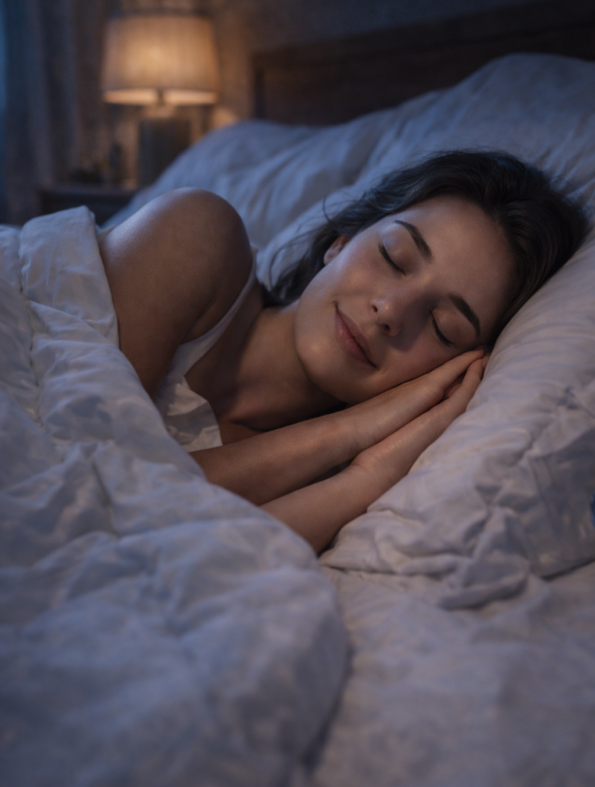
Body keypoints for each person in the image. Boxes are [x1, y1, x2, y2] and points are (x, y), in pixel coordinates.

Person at [99, 151, 587, 552]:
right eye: (394, 257)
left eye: (443, 326)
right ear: (342, 241)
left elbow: (196, 559)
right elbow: (98, 486)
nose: (391, 310)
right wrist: (347, 429)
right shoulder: (197, 236)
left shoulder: (318, 478)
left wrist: (365, 470)